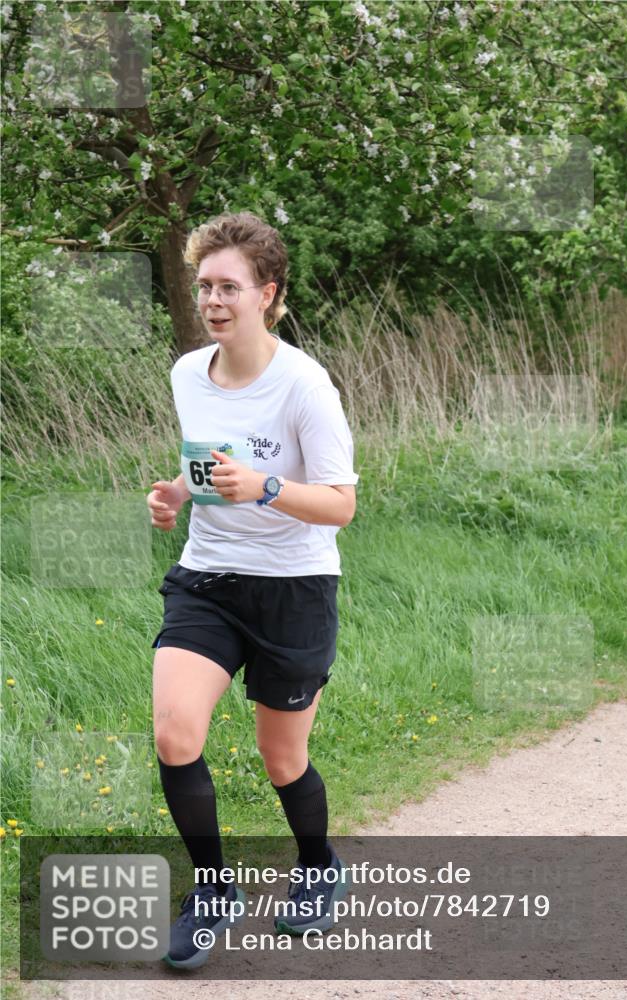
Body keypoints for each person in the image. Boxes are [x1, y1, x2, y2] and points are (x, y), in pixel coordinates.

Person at [146, 211, 358, 970]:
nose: (213, 299)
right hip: (208, 579)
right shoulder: (185, 373)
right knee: (175, 731)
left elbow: (339, 503)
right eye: (204, 285)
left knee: (281, 759)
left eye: (229, 286)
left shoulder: (304, 384)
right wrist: (176, 494)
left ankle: (318, 867)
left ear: (267, 293)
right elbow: (210, 471)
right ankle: (211, 889)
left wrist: (267, 487)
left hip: (294, 587)